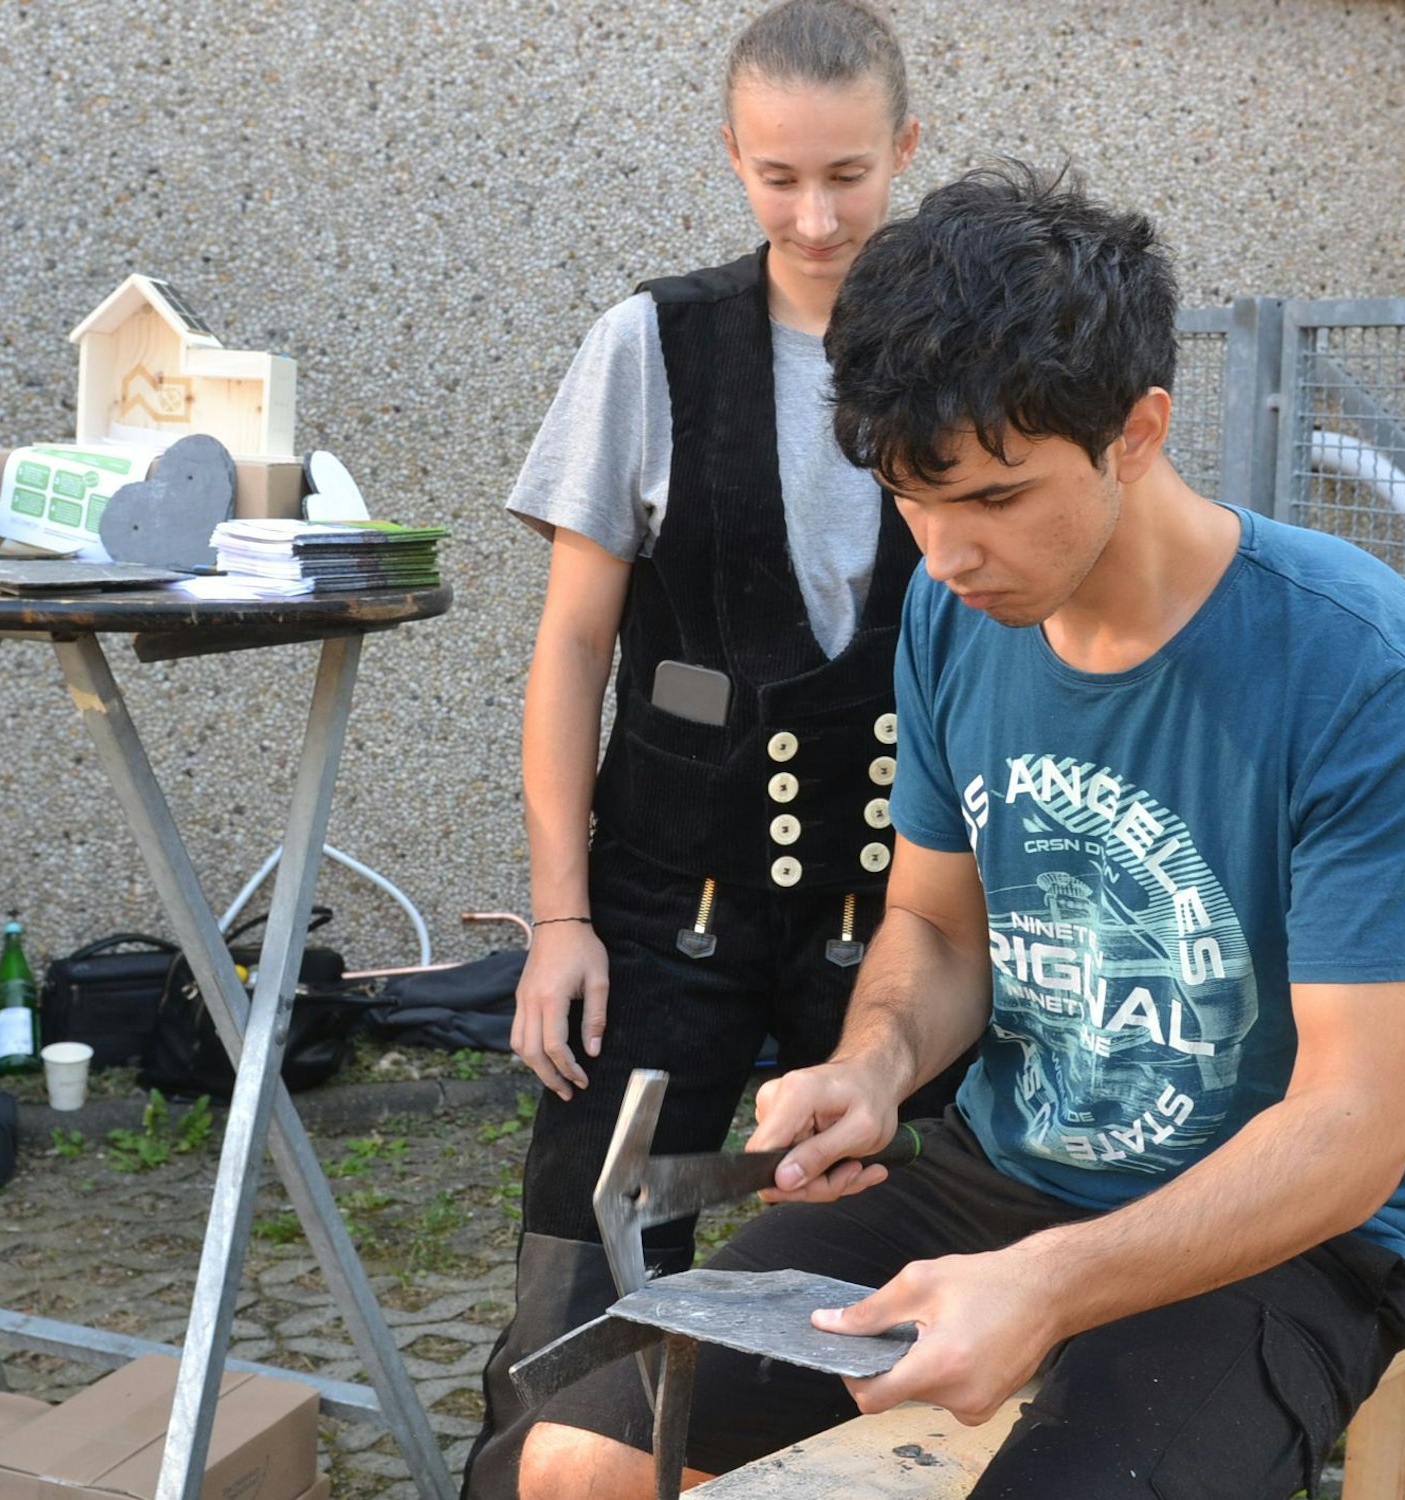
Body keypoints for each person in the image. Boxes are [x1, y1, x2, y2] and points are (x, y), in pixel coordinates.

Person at [540, 161, 1405, 1499]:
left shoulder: (1361, 666)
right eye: (911, 501)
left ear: (1138, 431)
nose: (946, 550)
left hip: (1278, 1234)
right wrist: (874, 1064)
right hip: (1001, 1178)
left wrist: (1045, 1287)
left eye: (993, 498)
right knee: (581, 1466)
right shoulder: (953, 616)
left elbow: (1351, 1122)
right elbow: (932, 922)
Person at [462, 6, 968, 1496]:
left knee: (862, 1258)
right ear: (732, 159)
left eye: (850, 176)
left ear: (908, 153)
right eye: (777, 176)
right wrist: (558, 918)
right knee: (581, 1248)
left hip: (894, 907)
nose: (814, 216)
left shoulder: (964, 353)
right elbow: (569, 650)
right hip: (665, 885)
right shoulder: (650, 343)